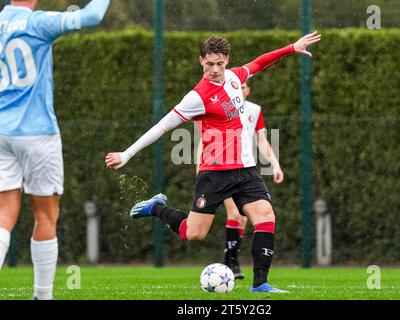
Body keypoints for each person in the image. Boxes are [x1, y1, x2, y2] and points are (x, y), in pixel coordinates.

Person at [106, 32, 321, 293]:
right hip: (215, 173)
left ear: (227, 60)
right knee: (193, 234)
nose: (215, 70)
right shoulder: (196, 97)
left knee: (265, 216)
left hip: (246, 170)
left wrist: (291, 48)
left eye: (220, 63)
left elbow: (259, 63)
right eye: (210, 64)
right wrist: (127, 154)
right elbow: (162, 126)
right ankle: (155, 208)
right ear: (201, 61)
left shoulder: (234, 77)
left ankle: (260, 283)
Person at [0, 0, 110, 300]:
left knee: (3, 216)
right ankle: (43, 296)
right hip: (37, 133)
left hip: (1, 131)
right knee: (46, 215)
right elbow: (91, 15)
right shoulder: (37, 23)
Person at [195, 80, 284, 280]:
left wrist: (275, 164)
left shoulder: (254, 110)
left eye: (243, 87)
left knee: (242, 217)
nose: (239, 89)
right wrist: (200, 168)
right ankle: (231, 263)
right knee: (235, 214)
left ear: (248, 90)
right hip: (219, 171)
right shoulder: (217, 106)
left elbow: (261, 140)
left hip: (243, 171)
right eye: (236, 86)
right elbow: (204, 140)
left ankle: (231, 262)